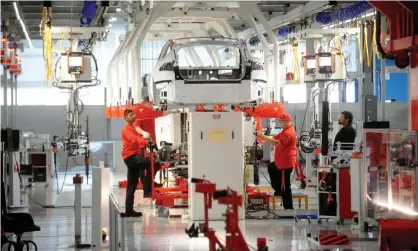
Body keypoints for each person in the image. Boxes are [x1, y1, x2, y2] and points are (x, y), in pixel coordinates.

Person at [257, 113, 297, 210]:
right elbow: (274, 138)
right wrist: (263, 136)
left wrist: (263, 137)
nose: (281, 123)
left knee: (285, 185)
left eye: (282, 121)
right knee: (271, 167)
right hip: (280, 162)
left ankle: (289, 208)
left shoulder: (288, 133)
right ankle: (278, 190)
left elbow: (276, 143)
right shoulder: (285, 130)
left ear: (288, 121)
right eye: (280, 121)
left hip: (285, 164)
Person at [121, 109, 150, 217]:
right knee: (150, 163)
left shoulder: (133, 128)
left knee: (132, 185)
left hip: (133, 156)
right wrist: (147, 141)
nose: (133, 116)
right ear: (126, 118)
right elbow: (134, 139)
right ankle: (148, 187)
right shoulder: (126, 129)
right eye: (130, 115)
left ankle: (129, 210)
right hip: (130, 156)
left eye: (133, 114)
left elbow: (137, 138)